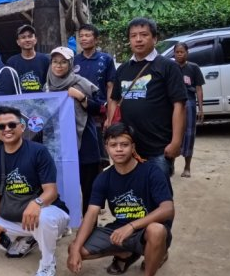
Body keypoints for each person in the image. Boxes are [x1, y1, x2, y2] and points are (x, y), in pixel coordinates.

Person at [67, 124, 174, 276]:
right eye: (113, 145)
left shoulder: (151, 171)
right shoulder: (104, 178)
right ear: (106, 148)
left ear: (133, 147)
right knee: (76, 248)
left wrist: (132, 226)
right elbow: (91, 214)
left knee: (156, 230)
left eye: (124, 144)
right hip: (118, 230)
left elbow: (168, 209)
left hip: (146, 231)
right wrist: (75, 249)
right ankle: (126, 253)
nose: (118, 149)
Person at [0, 106, 70, 276]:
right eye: (1, 126)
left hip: (48, 212)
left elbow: (51, 191)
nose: (7, 129)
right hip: (16, 215)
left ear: (22, 127)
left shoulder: (38, 151)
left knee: (44, 219)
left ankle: (47, 263)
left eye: (12, 125)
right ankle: (25, 242)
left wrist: (37, 203)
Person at [107, 18, 187, 177]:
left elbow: (179, 105)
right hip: (128, 147)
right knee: (132, 189)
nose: (138, 39)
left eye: (144, 35)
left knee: (157, 190)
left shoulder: (168, 67)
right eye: (133, 36)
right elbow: (114, 100)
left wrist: (176, 142)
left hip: (158, 148)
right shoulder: (123, 69)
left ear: (155, 38)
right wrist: (114, 133)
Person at [45, 46, 99, 211]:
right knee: (61, 185)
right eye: (55, 62)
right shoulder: (46, 87)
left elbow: (98, 109)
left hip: (84, 142)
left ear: (70, 64)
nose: (59, 65)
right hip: (59, 144)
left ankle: (89, 222)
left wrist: (81, 97)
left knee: (88, 187)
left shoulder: (80, 83)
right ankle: (65, 220)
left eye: (63, 62)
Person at [75, 23, 117, 166]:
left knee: (100, 155)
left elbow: (110, 87)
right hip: (79, 112)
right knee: (82, 153)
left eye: (87, 35)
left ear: (96, 39)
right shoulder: (74, 60)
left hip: (99, 113)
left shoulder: (106, 59)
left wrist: (110, 117)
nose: (83, 39)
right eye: (81, 36)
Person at [173, 42, 204, 177]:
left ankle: (187, 167)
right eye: (177, 52)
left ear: (187, 53)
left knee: (189, 134)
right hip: (173, 103)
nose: (179, 54)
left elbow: (198, 88)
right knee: (171, 133)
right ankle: (171, 165)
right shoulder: (170, 67)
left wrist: (201, 108)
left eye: (182, 52)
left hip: (189, 103)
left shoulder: (193, 67)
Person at [6, 24, 51, 93]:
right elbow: (9, 86)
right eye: (23, 37)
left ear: (35, 40)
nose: (27, 40)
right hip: (20, 99)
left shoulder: (45, 60)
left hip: (41, 99)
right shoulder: (11, 62)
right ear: (18, 42)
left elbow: (50, 83)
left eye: (30, 36)